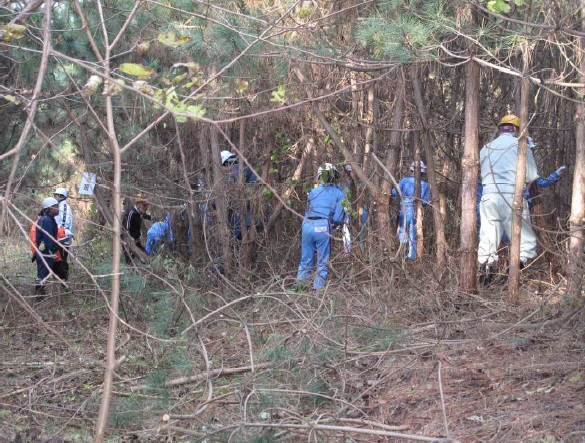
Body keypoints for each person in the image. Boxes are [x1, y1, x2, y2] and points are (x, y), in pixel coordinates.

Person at [477, 114, 539, 285]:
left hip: (488, 195)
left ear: (500, 128)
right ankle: (515, 276)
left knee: (488, 236)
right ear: (517, 129)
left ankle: (485, 278)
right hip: (512, 195)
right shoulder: (520, 145)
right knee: (524, 238)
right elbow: (532, 175)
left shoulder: (486, 148)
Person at [296, 163, 346, 290]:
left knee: (306, 258)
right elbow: (338, 218)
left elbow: (308, 208)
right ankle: (318, 290)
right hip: (323, 225)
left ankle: (300, 287)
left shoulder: (313, 191)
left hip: (307, 224)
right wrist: (334, 226)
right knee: (322, 260)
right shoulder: (339, 194)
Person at [391, 161, 431, 261]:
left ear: (412, 171)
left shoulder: (404, 181)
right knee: (413, 234)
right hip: (418, 211)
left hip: (404, 209)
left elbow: (394, 192)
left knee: (403, 231)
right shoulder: (425, 185)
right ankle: (411, 257)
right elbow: (425, 202)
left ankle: (401, 254)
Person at [220, 150, 260, 240]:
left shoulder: (233, 174)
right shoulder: (246, 170)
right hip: (256, 219)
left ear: (226, 164)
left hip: (242, 222)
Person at [32, 197, 63, 298]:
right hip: (45, 252)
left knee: (44, 274)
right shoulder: (47, 221)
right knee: (42, 275)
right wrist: (52, 252)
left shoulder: (48, 219)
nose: (58, 208)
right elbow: (48, 238)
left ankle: (41, 295)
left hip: (44, 252)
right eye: (56, 207)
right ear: (50, 208)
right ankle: (39, 298)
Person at [52, 187, 73, 280]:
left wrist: (59, 234)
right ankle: (58, 279)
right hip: (58, 238)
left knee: (62, 260)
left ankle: (64, 281)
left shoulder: (64, 207)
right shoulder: (58, 206)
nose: (55, 196)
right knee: (57, 259)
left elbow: (64, 223)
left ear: (61, 196)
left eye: (56, 195)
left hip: (63, 239)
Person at [123, 197, 151, 264]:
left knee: (142, 250)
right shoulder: (132, 213)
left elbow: (143, 216)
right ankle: (130, 268)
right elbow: (127, 227)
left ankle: (147, 262)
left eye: (146, 206)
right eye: (144, 206)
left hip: (136, 237)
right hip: (128, 237)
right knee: (129, 254)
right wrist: (129, 238)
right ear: (139, 205)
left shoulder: (139, 213)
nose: (145, 208)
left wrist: (151, 217)